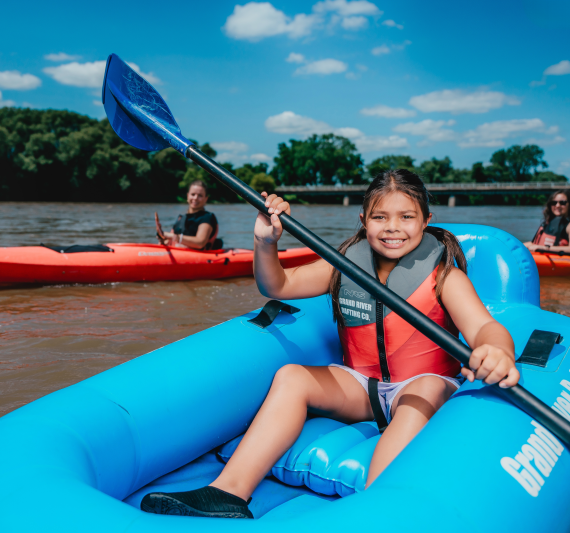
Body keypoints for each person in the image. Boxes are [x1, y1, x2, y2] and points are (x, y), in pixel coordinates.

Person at [140, 170, 520, 519]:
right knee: (292, 377)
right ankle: (228, 493)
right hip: (361, 386)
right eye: (380, 217)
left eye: (406, 217)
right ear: (363, 221)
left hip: (421, 388)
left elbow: (485, 327)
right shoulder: (345, 266)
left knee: (425, 386)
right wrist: (264, 241)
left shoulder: (445, 278)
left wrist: (496, 351)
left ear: (426, 221)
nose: (393, 228)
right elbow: (278, 286)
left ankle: (377, 509)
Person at [156, 180, 220, 250]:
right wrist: (163, 239)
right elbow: (169, 242)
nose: (195, 198)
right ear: (187, 196)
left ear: (206, 199)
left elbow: (200, 243)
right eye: (193, 194)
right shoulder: (181, 218)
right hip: (178, 254)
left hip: (198, 257)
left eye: (200, 196)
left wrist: (174, 236)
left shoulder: (207, 218)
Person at [523, 190, 570, 254]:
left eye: (562, 202)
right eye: (554, 203)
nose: (557, 205)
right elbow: (534, 244)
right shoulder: (549, 222)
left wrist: (544, 248)